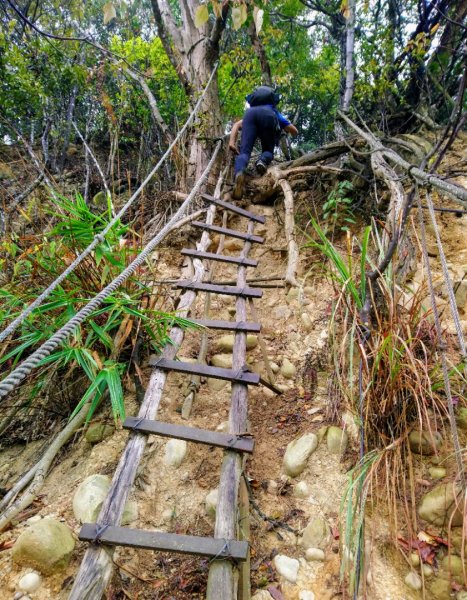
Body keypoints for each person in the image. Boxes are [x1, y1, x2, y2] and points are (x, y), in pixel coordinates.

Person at [229, 85, 298, 199]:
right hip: (268, 116)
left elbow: (236, 125)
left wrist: (231, 142)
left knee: (245, 153)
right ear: (272, 99)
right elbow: (294, 131)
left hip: (249, 117)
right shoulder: (273, 111)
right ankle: (262, 161)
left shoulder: (250, 111)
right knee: (267, 150)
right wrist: (283, 127)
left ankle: (239, 173)